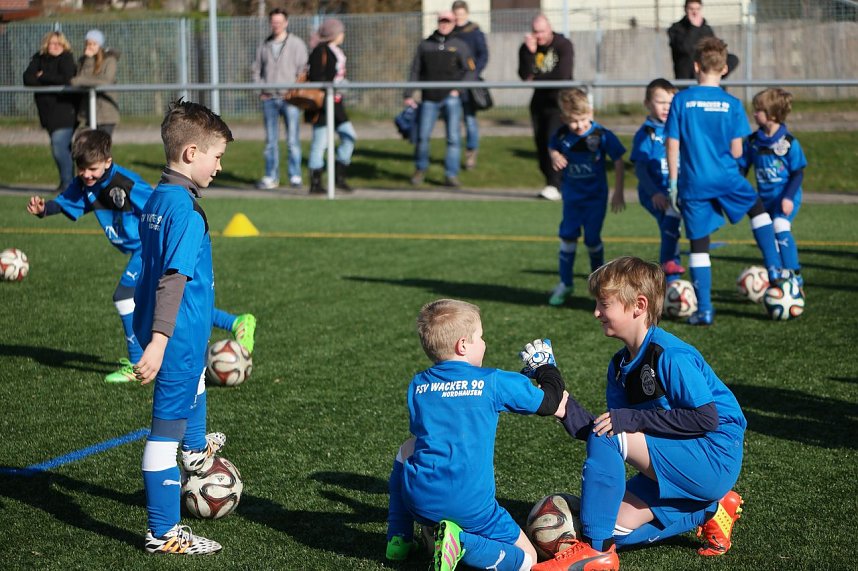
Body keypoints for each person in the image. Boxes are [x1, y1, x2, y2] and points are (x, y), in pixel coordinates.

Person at [532, 256, 746, 571]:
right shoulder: (619, 366)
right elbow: (603, 432)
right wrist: (561, 403)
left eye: (603, 304)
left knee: (598, 529)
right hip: (679, 453)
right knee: (615, 527)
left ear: (638, 305)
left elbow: (706, 419)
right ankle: (712, 510)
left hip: (714, 455)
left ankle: (596, 552)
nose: (596, 312)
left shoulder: (670, 355)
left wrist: (631, 420)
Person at [26, 128, 256, 384]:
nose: (86, 174)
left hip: (146, 248)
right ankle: (237, 322)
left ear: (107, 162)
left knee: (124, 296)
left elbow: (159, 202)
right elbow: (67, 201)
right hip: (140, 250)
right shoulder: (84, 183)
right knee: (168, 303)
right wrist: (44, 209)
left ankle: (136, 364)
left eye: (92, 169)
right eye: (81, 168)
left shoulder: (125, 182)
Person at [385, 299, 567, 571]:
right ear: (463, 345)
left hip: (419, 501)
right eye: (480, 337)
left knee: (407, 448)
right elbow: (551, 403)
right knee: (527, 559)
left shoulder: (418, 384)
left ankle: (397, 538)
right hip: (471, 506)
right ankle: (461, 543)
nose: (485, 343)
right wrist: (545, 367)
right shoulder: (493, 381)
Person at [131, 100, 235, 554]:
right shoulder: (187, 214)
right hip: (172, 337)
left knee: (195, 382)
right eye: (217, 156)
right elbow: (173, 279)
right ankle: (163, 533)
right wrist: (158, 342)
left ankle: (195, 451)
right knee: (162, 437)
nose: (219, 166)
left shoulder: (160, 196)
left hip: (180, 335)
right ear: (191, 153)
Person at [665, 37, 781, 325]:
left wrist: (674, 183)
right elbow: (738, 150)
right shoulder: (731, 103)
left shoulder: (681, 99)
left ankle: (704, 310)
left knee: (699, 245)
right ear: (725, 68)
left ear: (695, 66)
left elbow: (672, 143)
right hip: (727, 176)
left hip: (693, 182)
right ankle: (776, 270)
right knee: (758, 211)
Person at [546, 88, 625, 307]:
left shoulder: (602, 135)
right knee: (568, 236)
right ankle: (565, 283)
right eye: (573, 121)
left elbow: (618, 160)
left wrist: (618, 191)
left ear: (591, 112)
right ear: (564, 118)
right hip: (572, 198)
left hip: (595, 198)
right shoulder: (562, 135)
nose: (579, 125)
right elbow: (552, 146)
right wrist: (554, 156)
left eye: (583, 119)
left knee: (592, 240)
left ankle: (599, 285)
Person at [741, 88, 808, 287]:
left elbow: (798, 173)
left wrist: (788, 198)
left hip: (786, 197)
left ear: (771, 115)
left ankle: (793, 273)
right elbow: (742, 168)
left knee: (780, 226)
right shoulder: (753, 141)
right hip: (765, 198)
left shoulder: (788, 142)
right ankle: (774, 270)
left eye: (758, 110)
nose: (754, 113)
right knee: (762, 229)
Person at [404, 10, 476, 189]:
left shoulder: (459, 45)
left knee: (453, 138)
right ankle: (420, 168)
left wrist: (458, 89)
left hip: (451, 99)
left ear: (454, 23)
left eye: (448, 21)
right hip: (429, 98)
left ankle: (451, 175)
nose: (444, 24)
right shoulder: (425, 45)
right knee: (422, 137)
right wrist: (408, 93)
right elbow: (415, 71)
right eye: (442, 21)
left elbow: (470, 70)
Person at [630, 79, 685, 283]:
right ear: (647, 104)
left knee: (673, 228)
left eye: (670, 103)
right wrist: (654, 193)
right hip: (654, 192)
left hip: (675, 190)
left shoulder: (679, 128)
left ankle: (671, 271)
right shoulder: (647, 134)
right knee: (669, 226)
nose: (665, 107)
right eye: (660, 102)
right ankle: (669, 276)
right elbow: (641, 169)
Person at [518, 14, 574, 202]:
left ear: (549, 29)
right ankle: (550, 181)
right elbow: (524, 74)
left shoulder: (563, 45)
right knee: (540, 142)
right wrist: (530, 52)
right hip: (539, 101)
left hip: (559, 101)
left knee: (554, 141)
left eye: (542, 31)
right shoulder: (528, 47)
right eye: (535, 31)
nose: (539, 36)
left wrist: (537, 79)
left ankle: (556, 183)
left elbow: (562, 75)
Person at [252, 8, 309, 190]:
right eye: (273, 22)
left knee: (293, 140)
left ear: (286, 22)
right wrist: (261, 88)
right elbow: (256, 69)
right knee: (270, 141)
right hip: (269, 99)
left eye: (279, 22)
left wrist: (294, 91)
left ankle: (295, 176)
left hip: (290, 99)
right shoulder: (264, 45)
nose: (276, 25)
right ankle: (271, 176)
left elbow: (303, 71)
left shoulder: (296, 44)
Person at [305, 18, 356, 195]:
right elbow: (317, 77)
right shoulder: (320, 51)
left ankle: (338, 175)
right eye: (340, 31)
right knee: (320, 143)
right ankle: (315, 182)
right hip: (323, 105)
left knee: (349, 136)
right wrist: (334, 86)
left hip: (337, 104)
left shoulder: (337, 51)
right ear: (334, 34)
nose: (343, 35)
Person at [23, 30, 78, 190]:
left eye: (58, 43)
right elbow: (28, 78)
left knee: (59, 146)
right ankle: (68, 182)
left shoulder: (66, 58)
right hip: (46, 112)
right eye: (52, 43)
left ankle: (68, 184)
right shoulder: (38, 58)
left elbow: (66, 79)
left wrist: (42, 76)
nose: (55, 46)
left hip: (65, 110)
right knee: (63, 149)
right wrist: (44, 78)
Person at [452, 1, 488, 171]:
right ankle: (453, 156)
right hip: (451, 84)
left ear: (466, 14)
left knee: (469, 120)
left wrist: (473, 73)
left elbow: (483, 54)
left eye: (461, 14)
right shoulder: (449, 31)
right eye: (456, 14)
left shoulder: (474, 32)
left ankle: (471, 153)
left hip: (468, 84)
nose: (459, 18)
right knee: (453, 122)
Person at [668, 1, 738, 80]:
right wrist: (694, 27)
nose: (695, 12)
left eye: (697, 9)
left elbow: (714, 47)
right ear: (685, 9)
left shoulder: (706, 29)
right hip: (687, 74)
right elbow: (686, 49)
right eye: (691, 9)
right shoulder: (676, 29)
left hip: (706, 66)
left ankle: (716, 76)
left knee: (731, 58)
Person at [69, 29, 120, 136]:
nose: (90, 46)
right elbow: (81, 77)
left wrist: (80, 81)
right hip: (88, 112)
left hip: (106, 114)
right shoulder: (83, 60)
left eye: (94, 44)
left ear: (100, 45)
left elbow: (106, 81)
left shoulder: (110, 60)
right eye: (88, 43)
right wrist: (89, 59)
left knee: (101, 148)